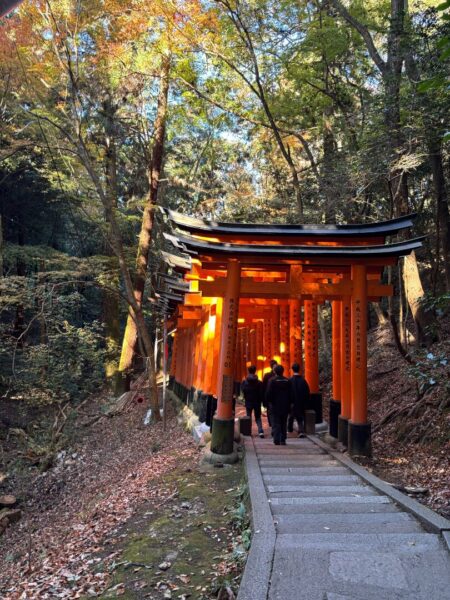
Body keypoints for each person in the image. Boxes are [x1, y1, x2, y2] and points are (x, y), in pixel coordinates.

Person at [265, 364, 293, 445]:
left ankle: (276, 439)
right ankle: (283, 439)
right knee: (284, 422)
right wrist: (291, 402)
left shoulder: (272, 381)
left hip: (275, 405)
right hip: (285, 405)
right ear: (282, 371)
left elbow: (268, 393)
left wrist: (268, 402)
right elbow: (291, 393)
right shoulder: (287, 381)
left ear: (275, 371)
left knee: (276, 422)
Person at [241, 365, 264, 438]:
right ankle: (260, 431)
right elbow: (261, 393)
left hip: (248, 402)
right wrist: (261, 400)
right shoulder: (259, 382)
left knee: (249, 416)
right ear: (255, 371)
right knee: (258, 417)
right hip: (257, 402)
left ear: (248, 371)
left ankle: (248, 432)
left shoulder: (244, 382)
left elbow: (243, 391)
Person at [289, 362, 310, 438]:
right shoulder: (303, 381)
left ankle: (289, 429)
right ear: (299, 369)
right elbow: (307, 392)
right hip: (301, 402)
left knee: (291, 416)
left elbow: (288, 392)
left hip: (292, 402)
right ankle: (301, 431)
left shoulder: (290, 380)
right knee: (300, 417)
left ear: (292, 369)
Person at [262, 359, 277, 427]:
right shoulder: (267, 375)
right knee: (270, 411)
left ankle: (273, 424)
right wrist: (264, 399)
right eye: (274, 366)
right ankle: (271, 424)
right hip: (270, 397)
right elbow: (264, 387)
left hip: (276, 397)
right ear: (272, 367)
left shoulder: (279, 375)